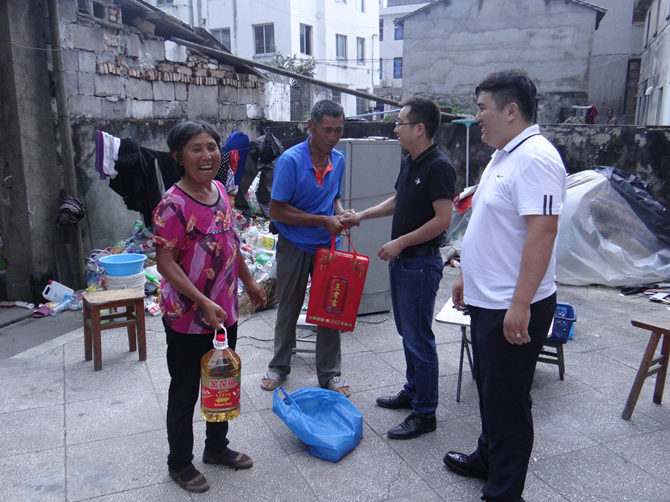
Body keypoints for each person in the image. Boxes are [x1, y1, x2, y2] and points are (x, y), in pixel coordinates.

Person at [442, 70, 567, 502]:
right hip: (488, 299)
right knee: (490, 391)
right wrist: (466, 273)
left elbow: (542, 234)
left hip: (511, 305)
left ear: (511, 111)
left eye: (482, 108)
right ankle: (487, 457)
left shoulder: (536, 158)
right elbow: (488, 222)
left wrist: (521, 304)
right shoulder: (503, 154)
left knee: (508, 401)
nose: (477, 117)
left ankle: (505, 492)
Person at [153, 120, 267, 493]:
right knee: (185, 389)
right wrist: (201, 301)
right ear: (178, 157)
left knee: (221, 380)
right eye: (196, 149)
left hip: (223, 313)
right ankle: (179, 463)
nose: (207, 155)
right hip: (187, 318)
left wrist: (249, 281)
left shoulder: (219, 191)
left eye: (212, 147)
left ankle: (216, 447)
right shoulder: (172, 206)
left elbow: (230, 241)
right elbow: (165, 264)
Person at [341, 96, 456, 439]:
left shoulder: (439, 166)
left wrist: (401, 242)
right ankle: (413, 390)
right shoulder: (411, 161)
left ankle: (425, 413)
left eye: (400, 123)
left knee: (419, 338)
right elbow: (398, 200)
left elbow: (443, 220)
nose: (395, 129)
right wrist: (361, 216)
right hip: (404, 263)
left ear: (419, 128)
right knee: (408, 333)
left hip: (420, 264)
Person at [260, 99, 352, 396]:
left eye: (339, 130)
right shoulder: (290, 161)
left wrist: (340, 213)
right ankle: (278, 366)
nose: (333, 137)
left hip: (327, 244)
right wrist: (322, 220)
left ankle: (330, 374)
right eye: (328, 130)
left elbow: (334, 196)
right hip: (295, 243)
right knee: (289, 305)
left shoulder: (338, 160)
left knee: (330, 310)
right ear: (311, 126)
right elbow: (277, 210)